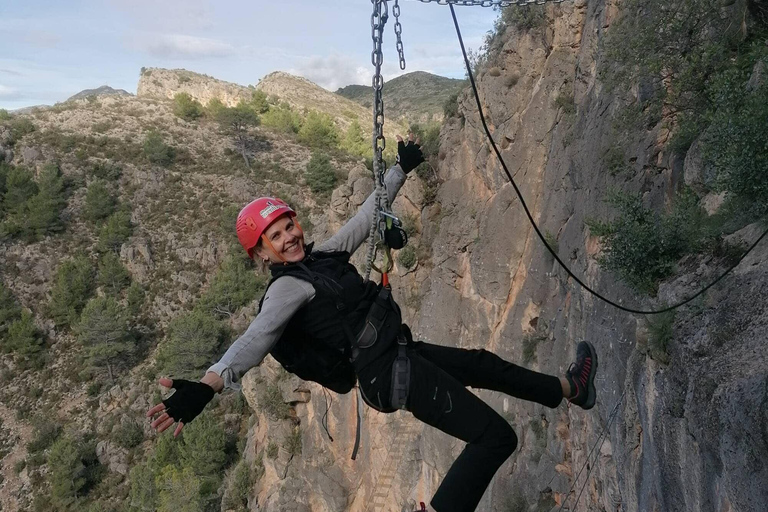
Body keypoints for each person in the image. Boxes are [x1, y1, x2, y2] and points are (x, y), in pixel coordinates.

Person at [147, 134, 598, 512]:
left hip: (400, 355)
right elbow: (254, 339)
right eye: (276, 235)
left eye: (289, 225)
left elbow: (365, 217)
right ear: (261, 253)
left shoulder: (322, 255)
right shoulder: (287, 289)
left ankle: (570, 389)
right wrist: (209, 385)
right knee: (496, 437)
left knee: (483, 364)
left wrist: (400, 167)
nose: (289, 237)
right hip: (388, 374)